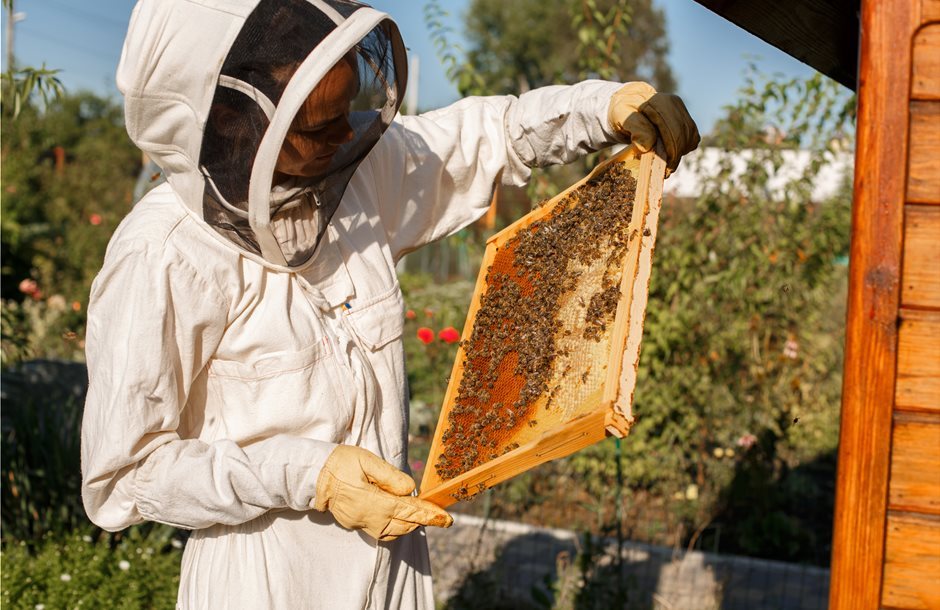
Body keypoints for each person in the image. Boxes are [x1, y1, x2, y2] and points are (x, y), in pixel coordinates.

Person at [80, 0, 700, 607]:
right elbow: (125, 473)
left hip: (398, 567)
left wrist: (602, 107)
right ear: (231, 122)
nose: (343, 136)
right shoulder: (161, 254)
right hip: (266, 580)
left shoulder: (356, 180)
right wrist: (309, 476)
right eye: (317, 125)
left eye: (348, 111)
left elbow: (491, 134)